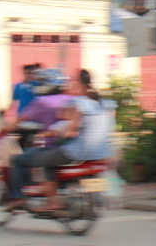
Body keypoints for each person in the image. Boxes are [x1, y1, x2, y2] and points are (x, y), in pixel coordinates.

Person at [6, 69, 111, 210]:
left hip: (78, 150)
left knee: (43, 160)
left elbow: (71, 127)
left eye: (74, 80)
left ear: (80, 83)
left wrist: (57, 133)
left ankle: (53, 201)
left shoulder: (76, 103)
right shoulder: (104, 103)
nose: (71, 84)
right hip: (101, 152)